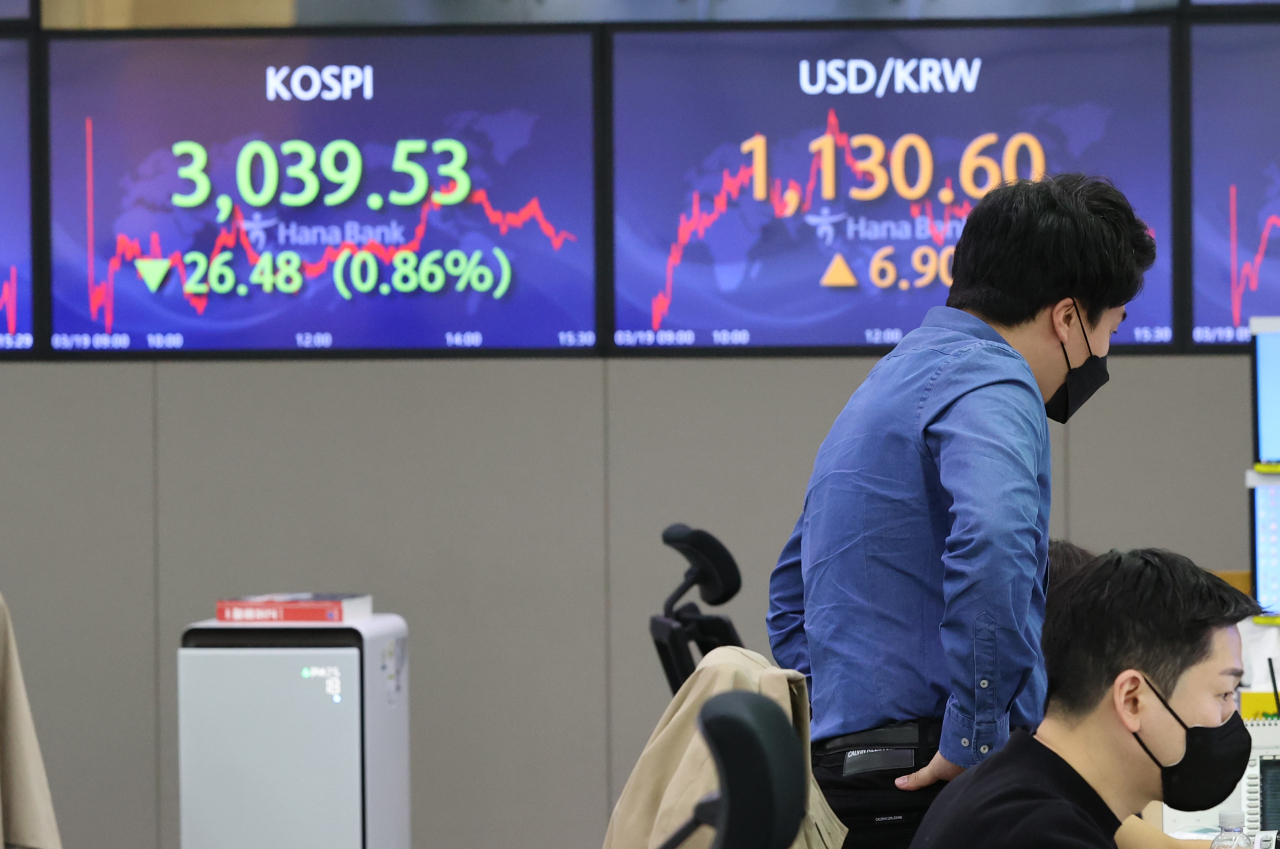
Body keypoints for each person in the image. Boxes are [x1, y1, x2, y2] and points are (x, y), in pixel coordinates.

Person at [767, 174, 1156, 848]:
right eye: (1110, 326)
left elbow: (789, 595)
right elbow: (998, 537)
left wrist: (854, 727)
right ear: (1067, 318)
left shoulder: (890, 379)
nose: (1104, 353)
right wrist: (973, 736)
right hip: (933, 780)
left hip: (856, 778)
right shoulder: (993, 378)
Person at [910, 548, 1261, 849]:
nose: (1231, 714)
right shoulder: (1040, 834)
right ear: (1133, 700)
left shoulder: (1017, 793)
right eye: (1224, 693)